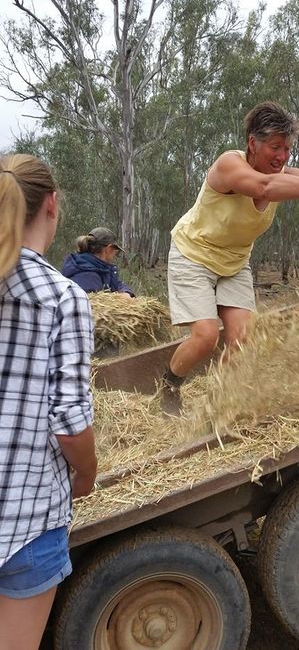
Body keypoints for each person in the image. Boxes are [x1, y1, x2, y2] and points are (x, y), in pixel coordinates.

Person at [163, 101, 299, 414]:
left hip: (235, 263)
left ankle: (219, 405)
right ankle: (169, 387)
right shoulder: (229, 164)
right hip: (194, 255)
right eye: (274, 147)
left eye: (287, 148)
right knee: (205, 337)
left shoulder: (284, 174)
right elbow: (264, 187)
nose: (282, 156)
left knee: (241, 340)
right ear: (253, 143)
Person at [0, 154, 97, 650]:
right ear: (52, 206)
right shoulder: (62, 297)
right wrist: (86, 475)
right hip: (26, 519)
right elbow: (69, 422)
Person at [61, 226, 135, 297]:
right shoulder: (86, 276)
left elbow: (117, 283)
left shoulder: (102, 269)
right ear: (109, 248)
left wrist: (126, 292)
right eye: (116, 251)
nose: (115, 254)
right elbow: (93, 307)